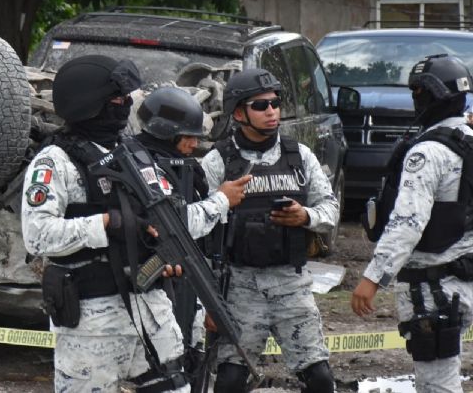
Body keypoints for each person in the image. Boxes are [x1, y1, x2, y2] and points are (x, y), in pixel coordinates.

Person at [22, 55, 190, 392]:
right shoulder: (56, 161)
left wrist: (165, 250)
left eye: (127, 98)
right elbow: (37, 237)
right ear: (89, 104)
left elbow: (169, 216)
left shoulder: (135, 153)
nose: (126, 105)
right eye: (117, 99)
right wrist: (105, 223)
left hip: (151, 315)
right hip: (91, 325)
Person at [201, 68, 338, 393]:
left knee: (320, 379)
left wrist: (304, 216)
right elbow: (197, 227)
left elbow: (331, 210)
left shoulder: (299, 156)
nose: (271, 111)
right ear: (238, 112)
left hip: (291, 284)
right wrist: (206, 301)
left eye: (275, 103)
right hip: (238, 287)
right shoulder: (218, 161)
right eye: (260, 106)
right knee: (230, 381)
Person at [351, 54, 473, 393]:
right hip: (461, 281)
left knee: (437, 385)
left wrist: (372, 278)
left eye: (417, 92)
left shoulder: (428, 153)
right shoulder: (467, 140)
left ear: (431, 95)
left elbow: (407, 222)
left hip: (430, 288)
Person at [134, 86, 251, 378]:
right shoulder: (141, 166)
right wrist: (222, 199)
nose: (194, 143)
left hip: (186, 285)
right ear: (166, 133)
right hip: (150, 295)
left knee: (193, 366)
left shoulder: (184, 168)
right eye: (188, 136)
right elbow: (176, 227)